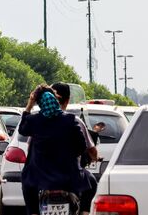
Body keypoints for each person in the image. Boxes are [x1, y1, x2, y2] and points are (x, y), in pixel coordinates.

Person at [18, 84, 89, 215]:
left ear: (39, 103)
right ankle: (84, 212)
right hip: (69, 176)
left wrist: (29, 105)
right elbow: (82, 146)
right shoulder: (69, 119)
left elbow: (22, 129)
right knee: (92, 183)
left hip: (40, 177)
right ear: (56, 100)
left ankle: (33, 213)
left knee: (25, 180)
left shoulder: (34, 120)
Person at [50, 82, 98, 215]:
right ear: (67, 100)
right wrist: (94, 157)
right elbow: (91, 149)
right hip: (71, 174)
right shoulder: (74, 120)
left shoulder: (39, 120)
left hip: (44, 174)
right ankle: (84, 212)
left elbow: (30, 146)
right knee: (92, 182)